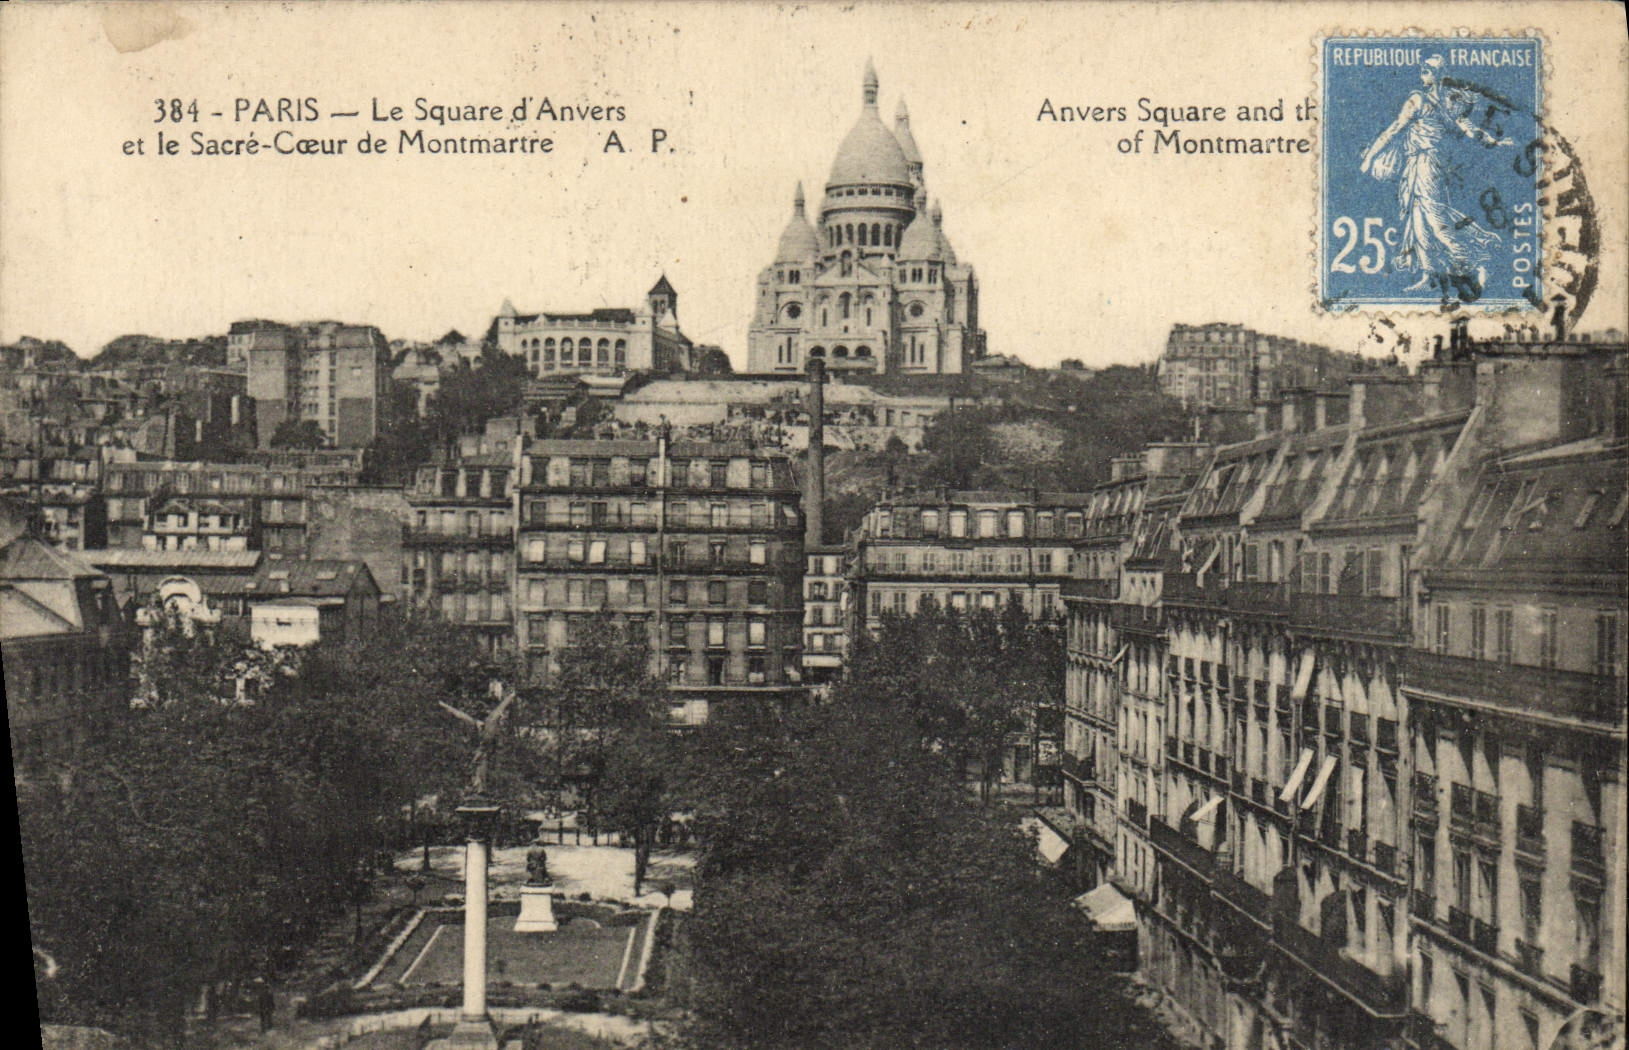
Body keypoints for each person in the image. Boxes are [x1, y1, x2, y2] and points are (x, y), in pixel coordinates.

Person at [1359, 55, 1514, 293]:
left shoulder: (1438, 102)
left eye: (1430, 68)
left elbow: (1468, 128)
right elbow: (1396, 129)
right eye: (1423, 68)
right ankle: (1429, 274)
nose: (1424, 71)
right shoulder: (1425, 99)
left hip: (1428, 163)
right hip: (1416, 163)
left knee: (1435, 218)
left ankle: (1478, 260)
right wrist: (1371, 155)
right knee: (1419, 219)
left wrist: (1495, 143)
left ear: (1440, 74)